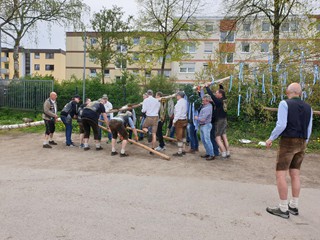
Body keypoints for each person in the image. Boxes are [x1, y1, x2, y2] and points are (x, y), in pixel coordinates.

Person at [265, 83, 313, 219]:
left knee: (281, 174)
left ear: (288, 92)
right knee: (295, 174)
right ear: (300, 93)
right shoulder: (309, 107)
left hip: (288, 142)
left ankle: (283, 207)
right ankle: (294, 205)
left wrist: (271, 138)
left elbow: (281, 124)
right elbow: (309, 127)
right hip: (302, 141)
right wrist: (305, 141)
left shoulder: (284, 103)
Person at [205, 83, 230, 158]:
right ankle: (227, 152)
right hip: (224, 120)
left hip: (219, 121)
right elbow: (223, 91)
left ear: (220, 94)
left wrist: (207, 87)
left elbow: (211, 96)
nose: (215, 94)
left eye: (216, 93)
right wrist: (220, 85)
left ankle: (223, 152)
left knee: (217, 137)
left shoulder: (219, 102)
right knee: (224, 136)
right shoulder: (224, 99)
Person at [195, 94, 214, 161]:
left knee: (207, 140)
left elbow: (203, 119)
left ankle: (211, 154)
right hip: (203, 125)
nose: (202, 101)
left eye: (203, 100)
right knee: (203, 140)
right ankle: (208, 153)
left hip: (206, 125)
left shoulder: (208, 108)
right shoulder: (205, 106)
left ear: (207, 100)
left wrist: (197, 118)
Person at [172, 91, 188, 157]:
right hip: (184, 119)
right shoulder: (185, 101)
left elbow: (178, 113)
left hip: (179, 120)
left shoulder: (179, 103)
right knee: (183, 135)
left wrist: (174, 121)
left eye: (177, 95)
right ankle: (184, 149)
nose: (176, 96)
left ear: (179, 95)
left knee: (179, 136)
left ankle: (180, 151)